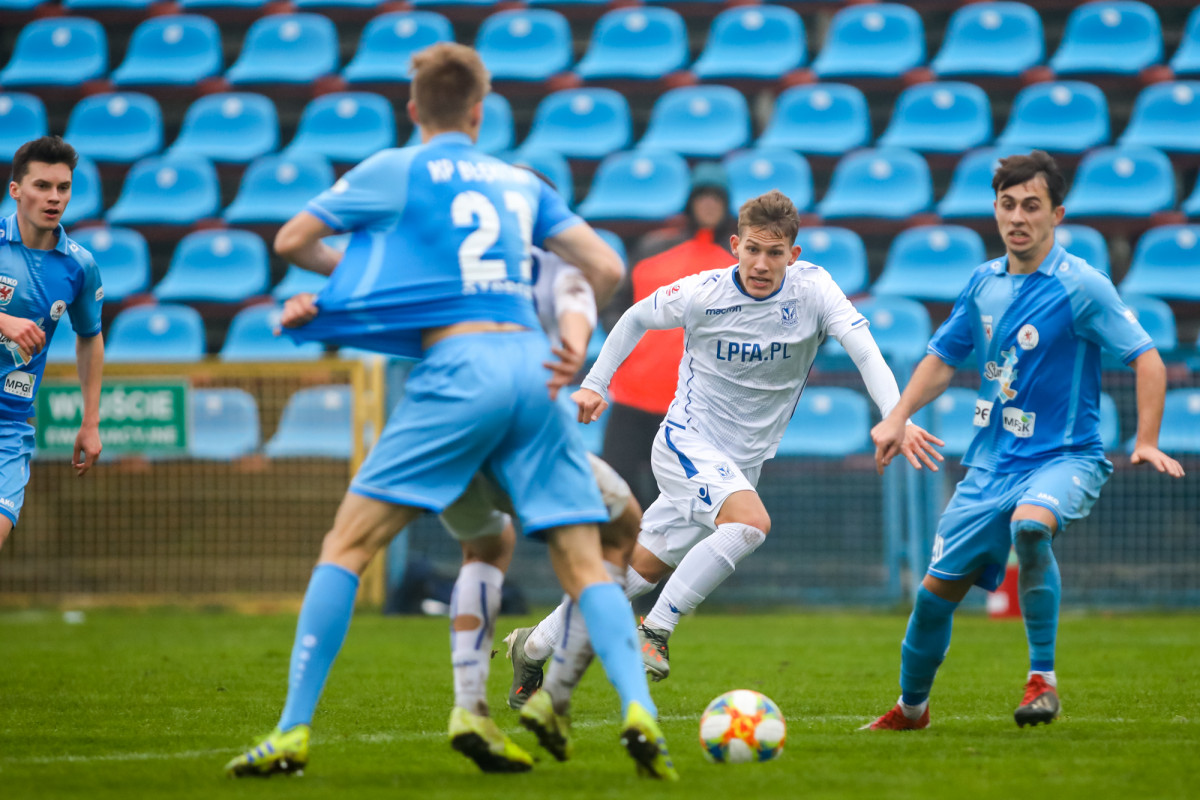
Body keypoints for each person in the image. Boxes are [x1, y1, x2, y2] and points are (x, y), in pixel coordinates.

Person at [224, 43, 677, 781]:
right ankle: (636, 708)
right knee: (581, 556)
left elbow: (293, 241)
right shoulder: (515, 181)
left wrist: (353, 291)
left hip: (459, 370)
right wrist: (573, 340)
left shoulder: (397, 169)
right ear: (478, 113)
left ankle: (292, 732)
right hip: (531, 370)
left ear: (413, 110)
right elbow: (604, 266)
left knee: (348, 544)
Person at [505, 190, 942, 691]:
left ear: (793, 255)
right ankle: (656, 629)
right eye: (752, 249)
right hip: (685, 442)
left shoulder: (814, 290)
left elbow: (864, 351)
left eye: (774, 253)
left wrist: (896, 416)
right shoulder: (703, 292)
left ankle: (533, 646)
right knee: (751, 524)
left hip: (741, 464)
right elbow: (635, 317)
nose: (761, 264)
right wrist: (595, 383)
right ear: (735, 246)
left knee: (635, 571)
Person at [864, 150, 1185, 732]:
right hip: (989, 467)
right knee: (933, 599)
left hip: (1066, 457)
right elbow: (942, 358)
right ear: (995, 210)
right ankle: (912, 710)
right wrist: (897, 415)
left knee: (1031, 527)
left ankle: (1042, 681)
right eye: (1008, 204)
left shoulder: (1081, 285)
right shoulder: (982, 283)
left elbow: (1148, 359)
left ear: (1056, 214)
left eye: (1032, 206)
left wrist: (1146, 439)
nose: (1018, 217)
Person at [437, 235, 644, 759]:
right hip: (529, 435)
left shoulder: (450, 270)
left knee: (480, 547)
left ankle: (470, 707)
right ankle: (587, 700)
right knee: (613, 539)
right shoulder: (553, 272)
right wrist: (577, 360)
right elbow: (603, 276)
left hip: (444, 433)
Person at [602, 164, 739, 508]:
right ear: (690, 202)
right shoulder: (652, 249)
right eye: (702, 197)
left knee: (680, 500)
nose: (709, 205)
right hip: (633, 394)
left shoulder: (738, 264)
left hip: (693, 406)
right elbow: (617, 305)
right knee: (617, 486)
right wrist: (629, 347)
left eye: (716, 198)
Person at [0, 136, 104, 552]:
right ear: (16, 190)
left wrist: (91, 422)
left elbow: (90, 338)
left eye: (63, 187)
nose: (54, 197)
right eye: (42, 186)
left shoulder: (79, 266)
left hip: (9, 424)